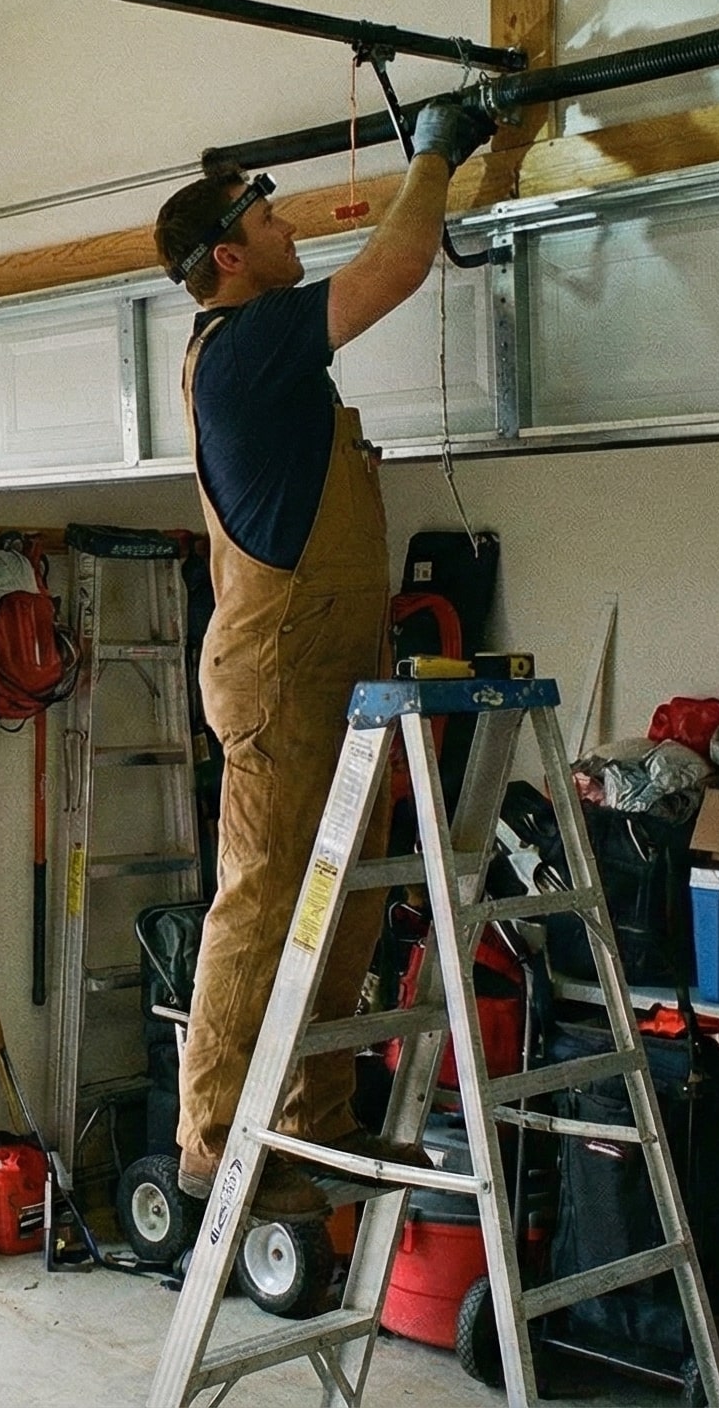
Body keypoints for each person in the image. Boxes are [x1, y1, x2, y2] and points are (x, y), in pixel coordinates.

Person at [149, 97, 497, 1219]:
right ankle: (212, 1140)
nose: (285, 225)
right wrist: (435, 147)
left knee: (339, 895)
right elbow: (395, 267)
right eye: (267, 213)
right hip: (281, 668)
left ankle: (309, 1120)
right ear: (226, 256)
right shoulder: (247, 344)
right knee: (260, 901)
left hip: (334, 667)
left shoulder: (269, 355)